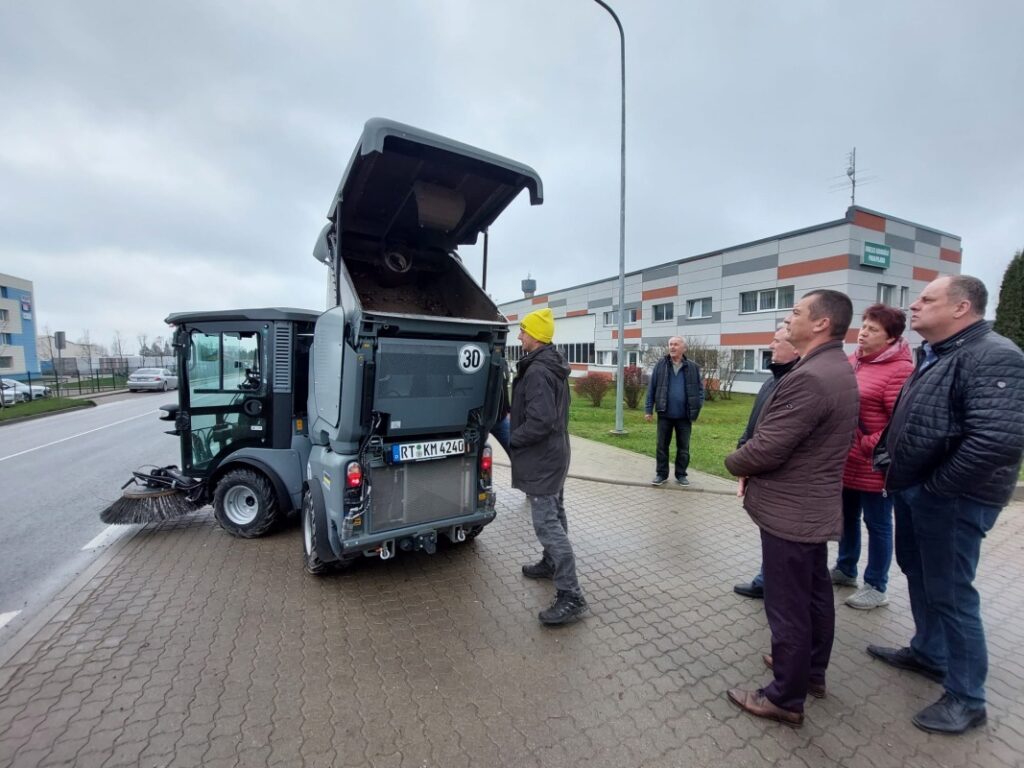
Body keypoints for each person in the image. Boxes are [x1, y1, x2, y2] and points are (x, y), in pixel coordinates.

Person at [866, 275, 1024, 734]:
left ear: (961, 308)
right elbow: (914, 418)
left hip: (953, 499)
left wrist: (935, 489)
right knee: (922, 575)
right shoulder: (938, 353)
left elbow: (995, 441)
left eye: (927, 299)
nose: (913, 306)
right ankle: (929, 652)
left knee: (953, 593)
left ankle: (967, 697)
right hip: (917, 490)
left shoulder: (995, 355)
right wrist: (888, 456)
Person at [723, 290, 859, 727]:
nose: (788, 318)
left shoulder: (812, 376)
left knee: (788, 606)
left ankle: (784, 696)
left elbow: (768, 447)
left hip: (792, 511)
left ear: (821, 324)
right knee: (814, 593)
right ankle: (810, 672)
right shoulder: (833, 366)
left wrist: (734, 462)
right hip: (809, 508)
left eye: (796, 312)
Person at [831, 304, 914, 609]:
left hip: (874, 464)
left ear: (891, 338)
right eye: (863, 326)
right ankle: (845, 568)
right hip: (846, 458)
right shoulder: (854, 361)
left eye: (873, 329)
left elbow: (902, 421)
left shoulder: (900, 370)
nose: (863, 332)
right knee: (847, 517)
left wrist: (868, 443)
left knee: (878, 524)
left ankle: (876, 585)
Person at [509, 308, 588, 626]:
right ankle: (550, 562)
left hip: (543, 457)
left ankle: (571, 595)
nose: (519, 336)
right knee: (556, 513)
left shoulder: (540, 371)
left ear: (536, 335)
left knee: (547, 525)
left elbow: (541, 421)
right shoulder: (550, 364)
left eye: (523, 331)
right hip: (555, 454)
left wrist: (514, 437)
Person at [732, 326, 800, 599]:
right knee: (769, 533)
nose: (771, 344)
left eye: (777, 340)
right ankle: (767, 579)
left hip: (781, 476)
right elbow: (754, 423)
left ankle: (775, 585)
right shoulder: (772, 379)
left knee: (782, 537)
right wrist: (742, 449)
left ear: (795, 348)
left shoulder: (798, 382)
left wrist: (742, 461)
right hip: (760, 468)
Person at [644, 336, 703, 486]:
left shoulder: (693, 367)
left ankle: (681, 474)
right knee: (662, 446)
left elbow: (700, 391)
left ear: (684, 348)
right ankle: (661, 474)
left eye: (676, 344)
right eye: (670, 344)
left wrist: (697, 406)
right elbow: (652, 389)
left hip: (685, 416)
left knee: (683, 448)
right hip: (665, 414)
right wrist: (648, 409)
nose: (672, 347)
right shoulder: (660, 365)